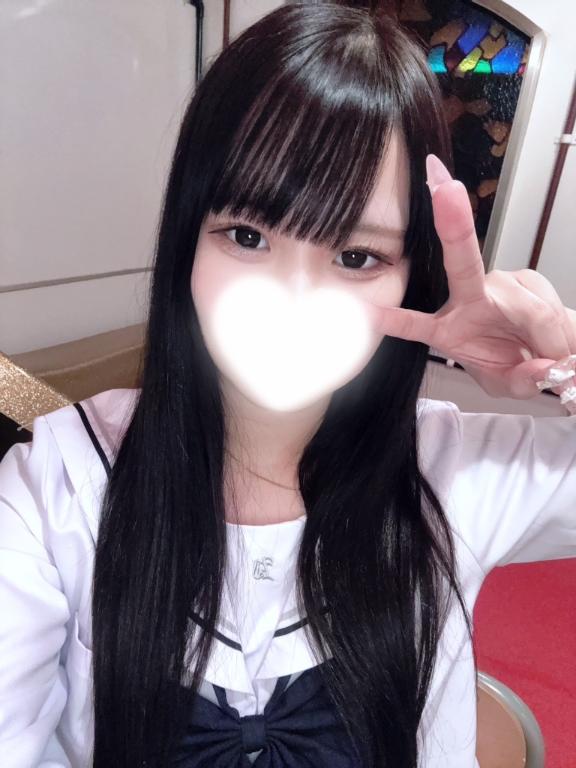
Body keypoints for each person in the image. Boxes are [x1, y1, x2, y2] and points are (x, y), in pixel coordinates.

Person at [0, 2, 575, 767]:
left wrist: (565, 365)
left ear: (410, 277)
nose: (293, 298)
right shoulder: (59, 483)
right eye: (247, 236)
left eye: (357, 258)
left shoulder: (457, 468)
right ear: (187, 238)